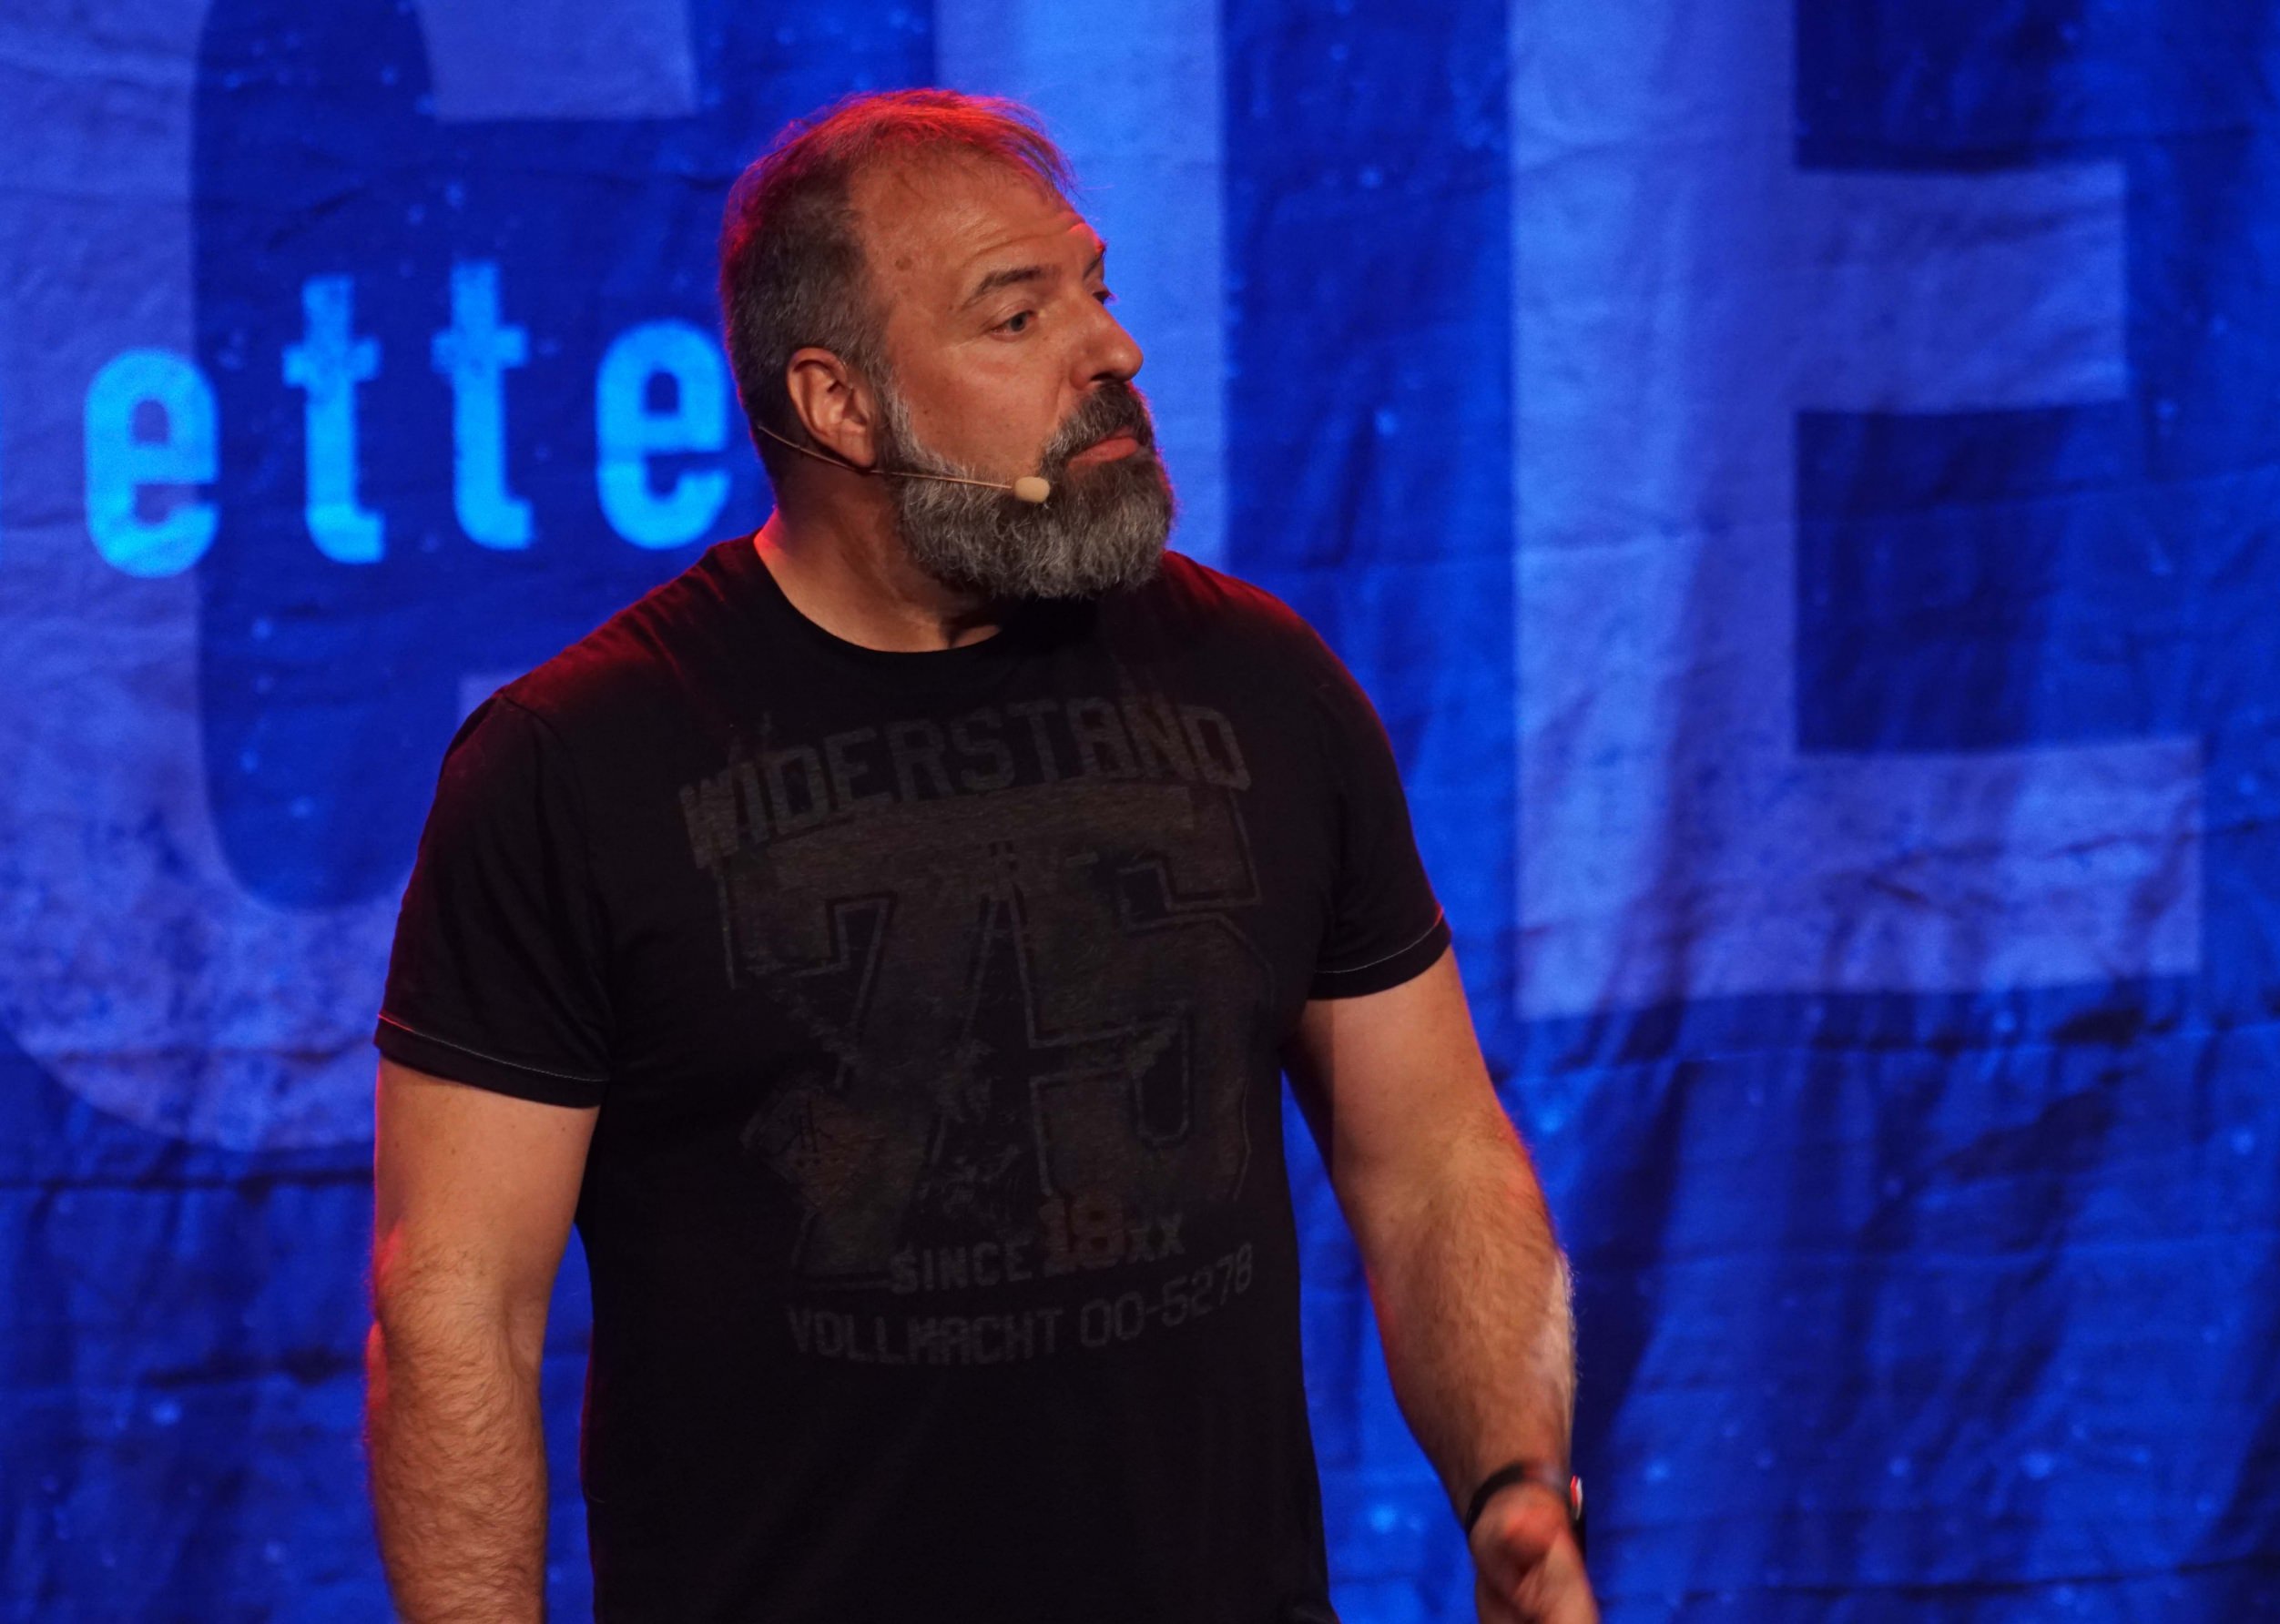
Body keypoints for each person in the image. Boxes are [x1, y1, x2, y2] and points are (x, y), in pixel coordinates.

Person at [363, 87, 1596, 1624]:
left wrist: (1512, 1480)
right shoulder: (572, 769)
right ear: (840, 405)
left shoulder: (1263, 687)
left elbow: (1433, 1161)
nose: (1112, 351)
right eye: (1018, 318)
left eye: (1097, 290)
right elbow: (456, 1307)